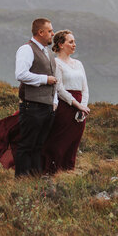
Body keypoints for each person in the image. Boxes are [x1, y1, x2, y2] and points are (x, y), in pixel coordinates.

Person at [12, 18, 58, 176]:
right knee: (27, 144)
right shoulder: (27, 49)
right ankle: (22, 181)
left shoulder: (48, 52)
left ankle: (35, 180)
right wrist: (44, 79)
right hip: (32, 106)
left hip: (47, 106)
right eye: (50, 31)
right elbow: (21, 74)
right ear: (41, 32)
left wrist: (54, 101)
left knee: (39, 145)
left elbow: (55, 79)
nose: (53, 33)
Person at [41, 30, 91, 173]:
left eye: (74, 42)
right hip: (65, 106)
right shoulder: (56, 63)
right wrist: (77, 105)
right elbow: (59, 88)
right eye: (70, 42)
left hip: (81, 109)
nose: (74, 45)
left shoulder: (79, 63)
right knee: (60, 140)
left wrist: (84, 107)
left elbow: (85, 88)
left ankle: (68, 172)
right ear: (61, 44)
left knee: (74, 141)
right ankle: (52, 171)